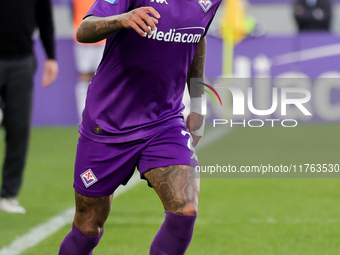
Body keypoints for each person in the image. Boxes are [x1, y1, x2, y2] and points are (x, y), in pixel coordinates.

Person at [58, 0, 221, 254]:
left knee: (185, 209)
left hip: (164, 120)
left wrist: (198, 103)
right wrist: (122, 19)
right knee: (89, 224)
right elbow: (84, 30)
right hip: (109, 123)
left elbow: (198, 37)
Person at [0, 0, 58, 214]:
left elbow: (45, 19)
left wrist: (51, 57)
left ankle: (8, 195)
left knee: (18, 129)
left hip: (22, 61)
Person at [72, 0, 105, 122]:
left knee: (104, 78)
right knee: (85, 76)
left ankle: (102, 118)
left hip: (105, 36)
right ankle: (84, 119)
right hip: (83, 36)